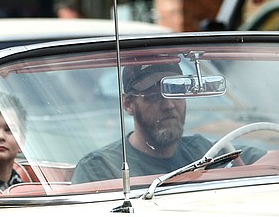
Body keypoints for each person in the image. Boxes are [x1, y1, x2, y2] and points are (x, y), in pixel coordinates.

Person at [72, 61, 213, 183]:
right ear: (128, 104)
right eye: (154, 96)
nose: (169, 105)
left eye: (175, 92)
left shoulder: (204, 152)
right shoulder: (100, 170)